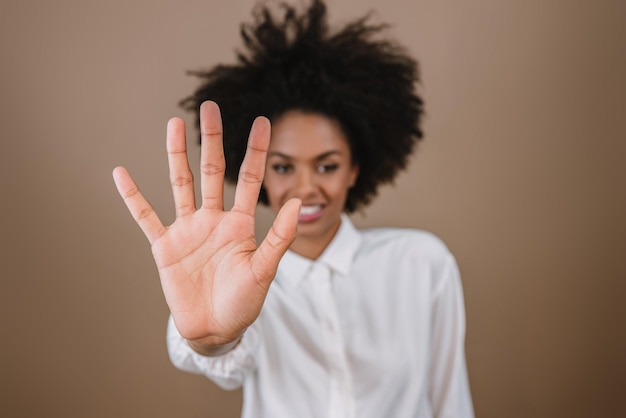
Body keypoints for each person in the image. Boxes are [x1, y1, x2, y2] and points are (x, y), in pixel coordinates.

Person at [113, 0, 474, 417]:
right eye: (283, 166)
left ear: (356, 169)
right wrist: (209, 338)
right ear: (261, 174)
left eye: (327, 165)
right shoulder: (240, 281)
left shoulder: (421, 263)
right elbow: (222, 357)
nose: (305, 188)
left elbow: (451, 401)